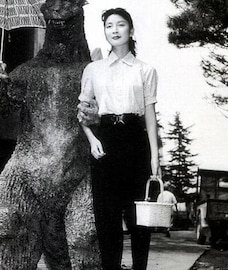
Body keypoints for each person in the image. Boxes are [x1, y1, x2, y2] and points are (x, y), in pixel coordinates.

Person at [77, 8, 161, 270]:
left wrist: (155, 157)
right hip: (105, 141)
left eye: (120, 24)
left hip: (136, 142)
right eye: (109, 26)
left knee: (139, 218)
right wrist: (92, 139)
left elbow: (150, 116)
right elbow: (82, 112)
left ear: (131, 30)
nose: (114, 30)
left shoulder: (145, 70)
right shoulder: (93, 69)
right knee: (106, 217)